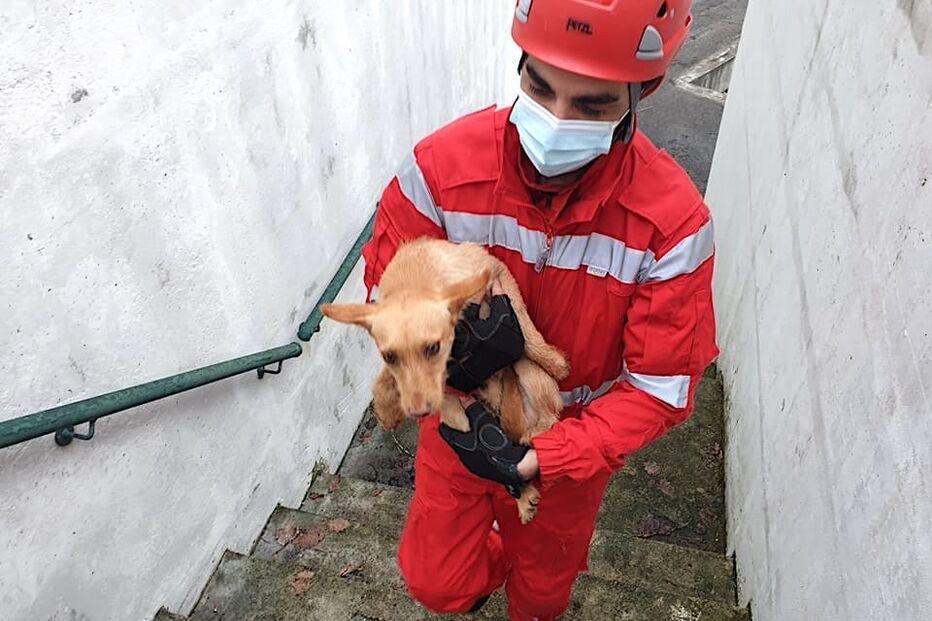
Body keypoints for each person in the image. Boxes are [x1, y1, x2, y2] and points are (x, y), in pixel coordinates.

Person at [360, 1, 718, 619]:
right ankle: (491, 558)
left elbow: (660, 388)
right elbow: (385, 290)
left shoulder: (672, 225)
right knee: (438, 583)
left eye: (593, 104)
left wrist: (545, 457)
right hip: (456, 428)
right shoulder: (439, 170)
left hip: (567, 449)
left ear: (640, 94)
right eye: (541, 85)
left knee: (542, 594)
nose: (556, 119)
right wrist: (454, 373)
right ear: (521, 62)